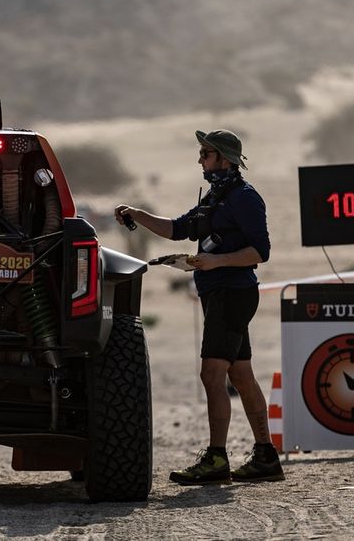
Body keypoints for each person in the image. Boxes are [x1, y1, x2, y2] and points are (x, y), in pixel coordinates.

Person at [115, 129, 283, 484]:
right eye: (201, 154)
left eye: (206, 154)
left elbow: (260, 252)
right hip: (219, 293)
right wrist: (138, 213)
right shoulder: (215, 197)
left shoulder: (245, 198)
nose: (200, 160)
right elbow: (178, 228)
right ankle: (266, 456)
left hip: (232, 293)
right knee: (240, 375)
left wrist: (216, 262)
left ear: (225, 158)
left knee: (211, 374)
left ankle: (217, 458)